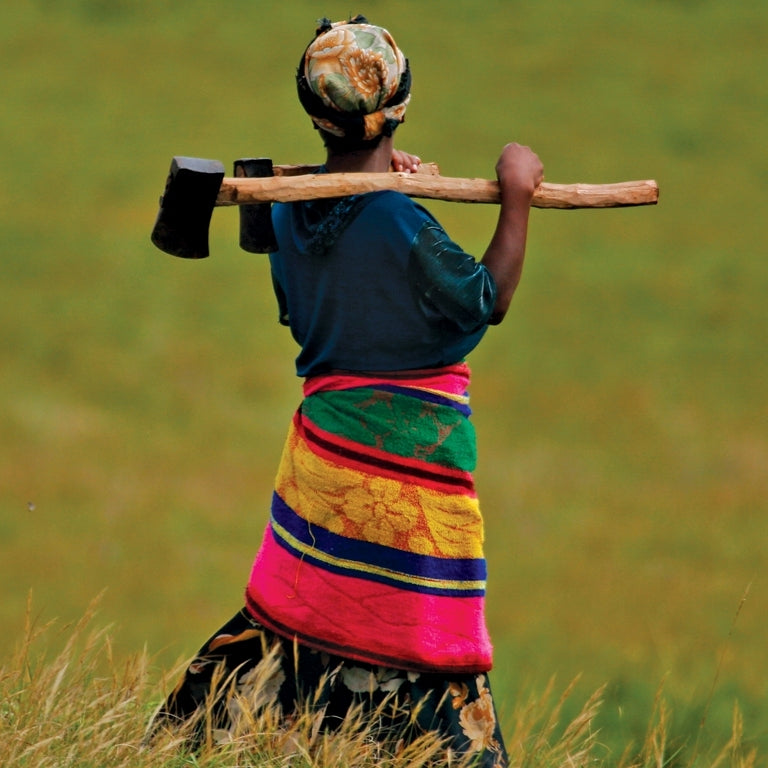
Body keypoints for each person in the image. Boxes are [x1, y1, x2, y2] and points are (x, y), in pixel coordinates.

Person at [149, 15, 542, 767]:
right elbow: (484, 297)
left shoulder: (293, 208)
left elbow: (304, 303)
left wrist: (398, 190)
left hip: (324, 460)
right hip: (408, 471)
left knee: (310, 598)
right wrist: (516, 193)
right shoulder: (397, 217)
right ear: (399, 108)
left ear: (315, 113)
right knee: (411, 629)